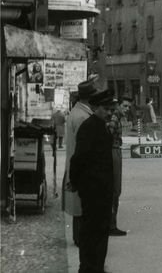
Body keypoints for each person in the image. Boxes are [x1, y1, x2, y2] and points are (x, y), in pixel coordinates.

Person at [70, 89, 115, 273]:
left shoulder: (100, 125)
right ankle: (89, 268)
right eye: (105, 108)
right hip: (93, 191)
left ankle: (96, 267)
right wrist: (79, 185)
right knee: (92, 233)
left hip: (101, 191)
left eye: (110, 109)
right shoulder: (89, 127)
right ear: (95, 107)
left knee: (100, 233)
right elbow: (78, 159)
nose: (109, 112)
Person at [64, 77, 100, 247]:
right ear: (88, 97)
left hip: (77, 166)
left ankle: (79, 237)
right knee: (81, 207)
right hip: (82, 169)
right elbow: (84, 147)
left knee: (79, 207)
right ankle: (80, 238)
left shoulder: (77, 112)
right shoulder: (82, 117)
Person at [106, 95, 131, 237]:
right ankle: (111, 225)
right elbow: (108, 135)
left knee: (115, 190)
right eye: (125, 106)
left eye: (128, 107)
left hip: (115, 150)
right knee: (115, 189)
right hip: (113, 151)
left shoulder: (116, 117)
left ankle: (111, 223)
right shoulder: (115, 118)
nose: (127, 109)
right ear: (118, 106)